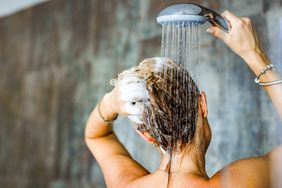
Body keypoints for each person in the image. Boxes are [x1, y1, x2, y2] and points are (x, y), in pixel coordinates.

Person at [85, 10, 282, 188]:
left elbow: (96, 136)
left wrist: (112, 100)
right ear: (202, 105)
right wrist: (254, 55)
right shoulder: (239, 182)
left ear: (148, 136)